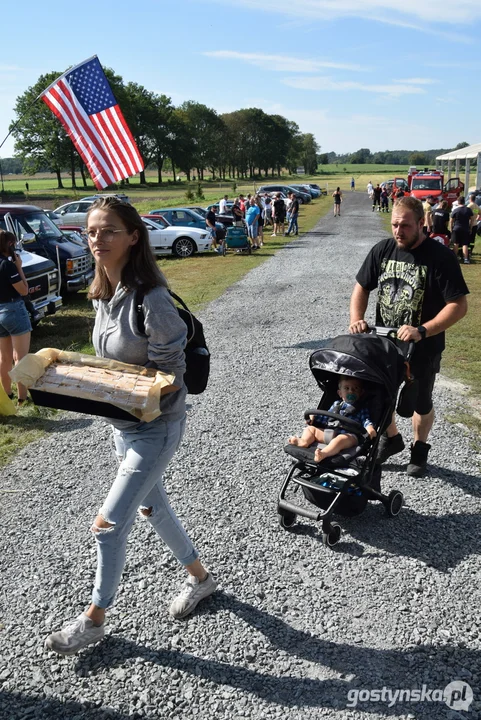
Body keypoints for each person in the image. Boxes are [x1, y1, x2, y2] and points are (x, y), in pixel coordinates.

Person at [45, 198, 216, 656]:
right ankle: (201, 579)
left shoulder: (153, 299)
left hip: (155, 429)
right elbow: (108, 363)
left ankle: (94, 619)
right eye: (91, 231)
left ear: (133, 237)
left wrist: (132, 401)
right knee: (152, 510)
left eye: (108, 231)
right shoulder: (103, 292)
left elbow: (172, 379)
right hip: (120, 425)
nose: (96, 239)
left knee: (106, 526)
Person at [349, 196, 469, 477]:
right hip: (385, 346)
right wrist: (356, 319)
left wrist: (423, 330)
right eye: (394, 224)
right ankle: (392, 440)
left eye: (404, 225)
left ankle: (419, 447)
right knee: (380, 395)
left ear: (421, 223)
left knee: (420, 401)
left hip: (424, 348)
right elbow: (361, 287)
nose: (398, 231)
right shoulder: (383, 250)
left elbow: (458, 305)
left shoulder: (441, 257)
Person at [288, 377, 376, 463]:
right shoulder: (336, 404)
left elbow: (366, 419)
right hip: (331, 432)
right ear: (340, 393)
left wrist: (369, 428)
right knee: (310, 429)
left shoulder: (361, 408)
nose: (351, 391)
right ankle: (304, 441)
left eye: (355, 388)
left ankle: (323, 454)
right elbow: (327, 417)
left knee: (340, 439)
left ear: (361, 393)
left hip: (350, 436)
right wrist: (314, 417)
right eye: (346, 388)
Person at [0, 230, 31, 406]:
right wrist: (18, 266)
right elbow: (24, 290)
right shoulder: (8, 265)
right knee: (21, 357)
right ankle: (22, 398)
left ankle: (6, 394)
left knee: (4, 358)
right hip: (13, 310)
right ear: (9, 245)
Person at [450, 196, 473, 264]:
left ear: (458, 202)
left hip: (456, 228)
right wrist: (470, 227)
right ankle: (466, 259)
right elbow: (472, 219)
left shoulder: (455, 210)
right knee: (465, 244)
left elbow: (451, 221)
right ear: (464, 201)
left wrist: (451, 228)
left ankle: (454, 258)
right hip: (465, 228)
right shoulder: (468, 209)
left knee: (456, 243)